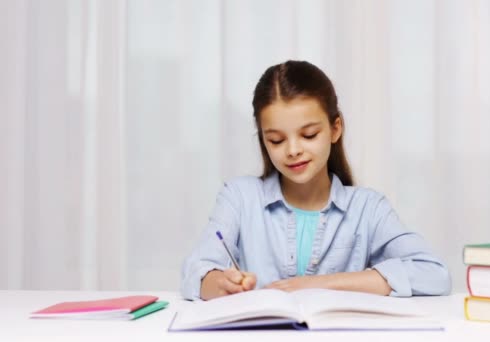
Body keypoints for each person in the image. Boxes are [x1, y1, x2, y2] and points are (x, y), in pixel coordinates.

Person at [181, 60, 451, 301]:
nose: (293, 150)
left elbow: (433, 273)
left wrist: (314, 285)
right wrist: (221, 283)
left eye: (308, 135)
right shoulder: (239, 197)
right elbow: (196, 272)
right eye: (276, 140)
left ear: (335, 129)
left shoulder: (368, 208)